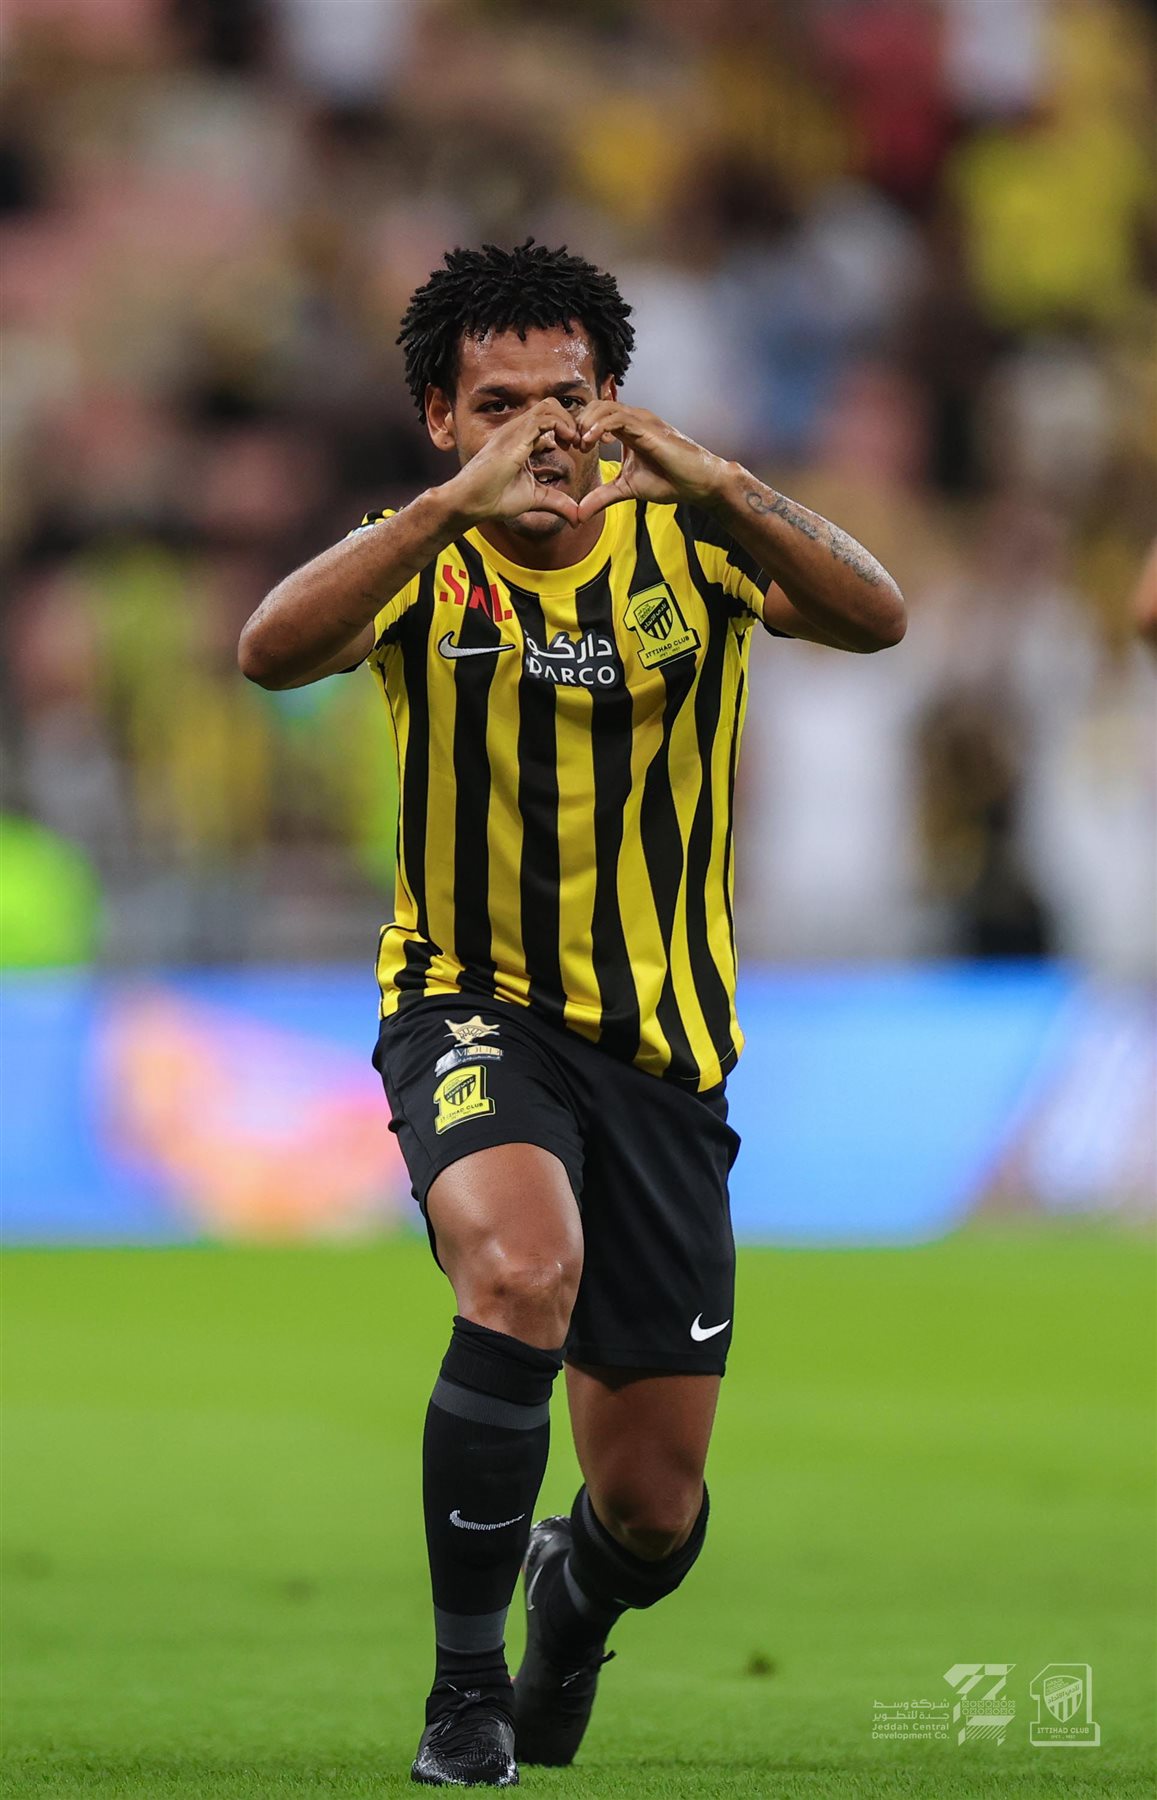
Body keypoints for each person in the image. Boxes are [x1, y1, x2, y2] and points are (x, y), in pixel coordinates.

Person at [238, 239, 906, 1788]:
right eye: (498, 406)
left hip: (664, 1050)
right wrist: (442, 511)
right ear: (438, 418)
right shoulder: (419, 557)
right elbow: (267, 653)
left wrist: (718, 480)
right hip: (470, 1008)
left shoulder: (694, 541)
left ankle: (572, 1597)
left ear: (613, 400)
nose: (541, 432)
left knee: (653, 1515)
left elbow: (876, 616)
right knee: (519, 1271)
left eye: (568, 397)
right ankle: (465, 1696)